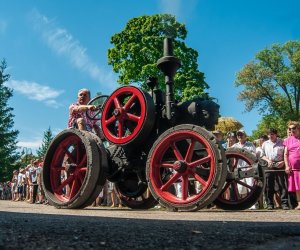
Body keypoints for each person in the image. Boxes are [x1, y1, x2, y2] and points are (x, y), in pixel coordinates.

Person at [261, 128, 289, 210]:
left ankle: (284, 204)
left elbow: (286, 153)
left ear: (276, 134)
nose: (270, 136)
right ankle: (270, 204)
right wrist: (268, 160)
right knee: (269, 185)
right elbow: (262, 155)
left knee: (282, 185)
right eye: (269, 134)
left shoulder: (282, 142)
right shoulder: (265, 143)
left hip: (280, 164)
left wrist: (283, 162)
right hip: (269, 165)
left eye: (272, 134)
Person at [231, 130, 256, 198]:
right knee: (241, 189)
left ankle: (253, 205)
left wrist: (252, 166)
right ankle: (245, 203)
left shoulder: (250, 145)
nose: (240, 136)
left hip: (249, 168)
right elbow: (229, 155)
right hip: (239, 169)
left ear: (245, 136)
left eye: (241, 134)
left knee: (250, 186)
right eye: (238, 135)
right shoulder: (234, 146)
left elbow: (254, 157)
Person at [283, 121, 300, 210]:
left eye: (293, 128)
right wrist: (287, 166)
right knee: (297, 186)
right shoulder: (287, 140)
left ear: (298, 128)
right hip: (293, 168)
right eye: (290, 129)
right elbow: (285, 154)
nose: (291, 130)